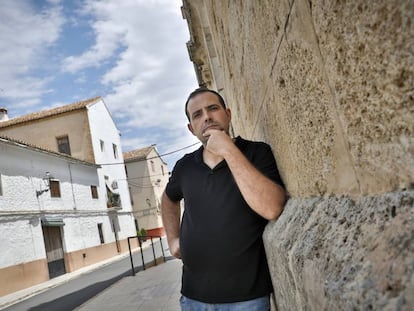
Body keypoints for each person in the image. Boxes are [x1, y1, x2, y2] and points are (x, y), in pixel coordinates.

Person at [161, 87, 286, 311]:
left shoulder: (257, 152)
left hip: (247, 299)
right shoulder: (184, 166)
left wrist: (228, 150)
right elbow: (169, 199)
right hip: (192, 298)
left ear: (227, 114)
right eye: (197, 114)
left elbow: (272, 208)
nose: (206, 116)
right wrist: (173, 239)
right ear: (191, 128)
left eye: (212, 108)